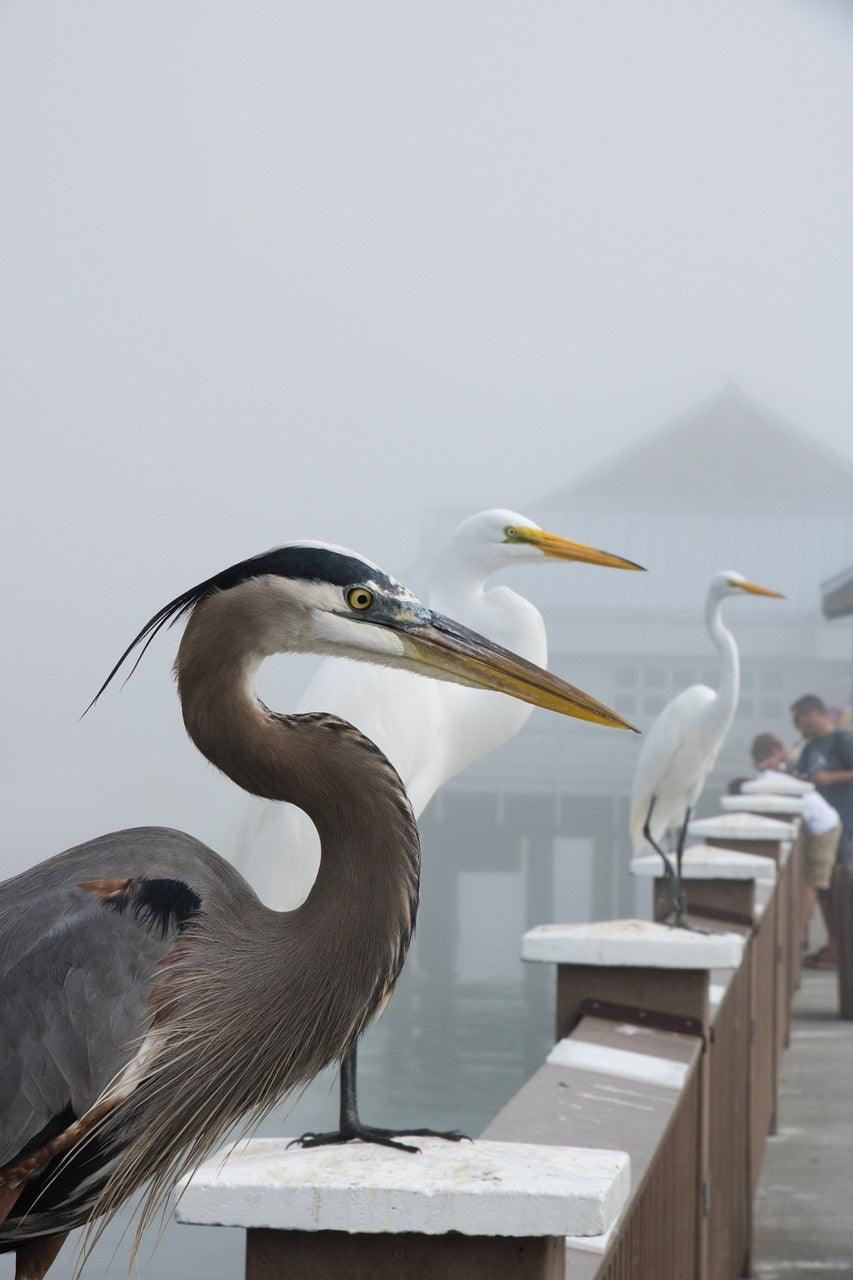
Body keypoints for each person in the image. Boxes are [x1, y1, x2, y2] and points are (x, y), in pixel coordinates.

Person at [751, 731, 841, 967]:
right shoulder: (779, 771)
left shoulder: (768, 778)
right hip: (820, 822)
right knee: (817, 887)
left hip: (823, 827)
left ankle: (801, 939)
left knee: (813, 883)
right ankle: (813, 941)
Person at [790, 694, 853, 968]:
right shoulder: (808, 748)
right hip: (817, 830)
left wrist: (831, 778)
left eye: (799, 719)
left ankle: (842, 950)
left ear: (812, 715)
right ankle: (832, 946)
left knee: (840, 889)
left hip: (843, 824)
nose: (797, 726)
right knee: (824, 891)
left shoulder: (842, 740)